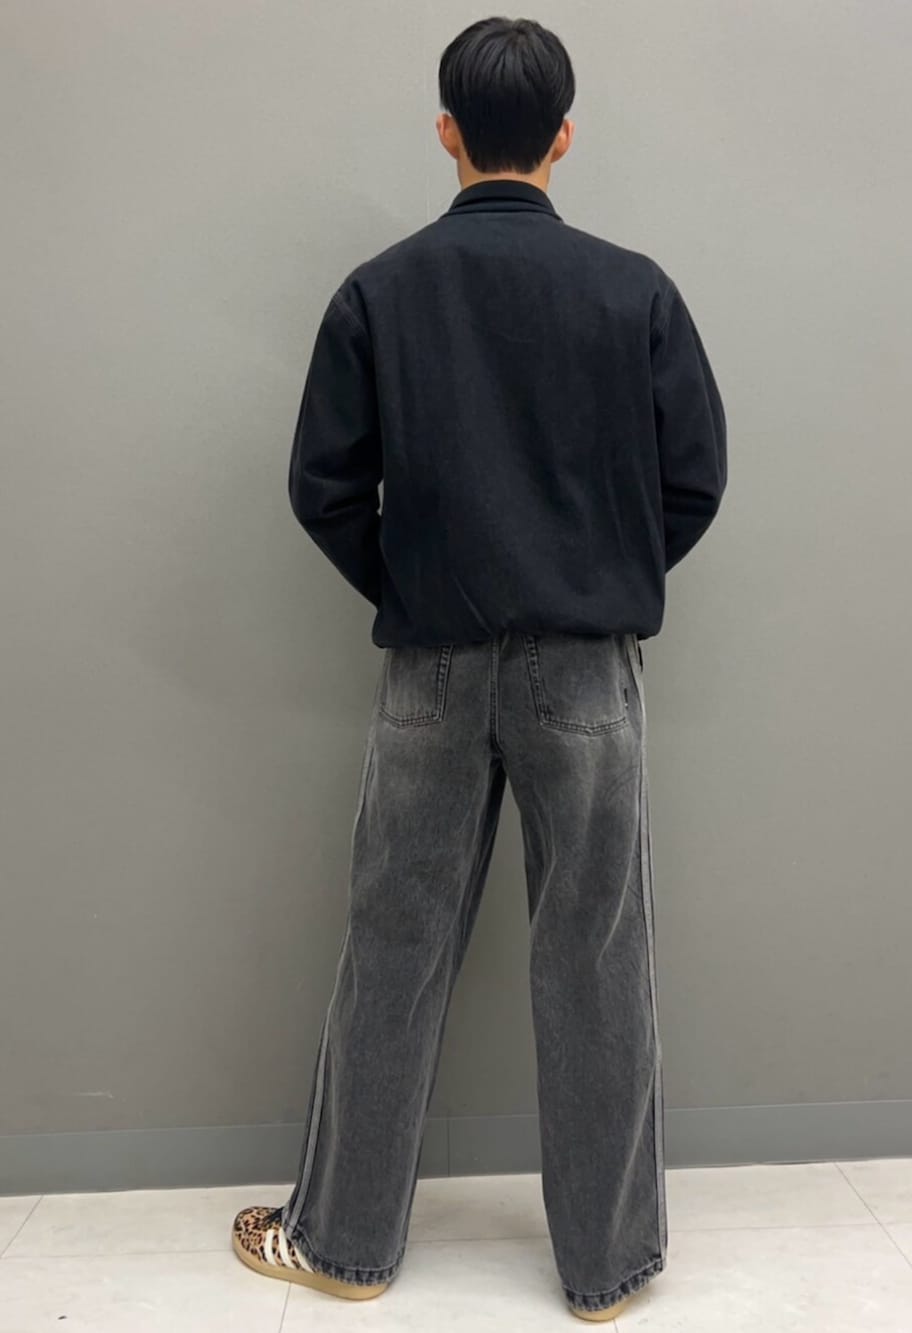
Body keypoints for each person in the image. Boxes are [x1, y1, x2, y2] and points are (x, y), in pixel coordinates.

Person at [231, 14, 726, 1323]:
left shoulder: (380, 291)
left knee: (393, 945)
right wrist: (598, 576)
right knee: (598, 958)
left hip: (433, 668)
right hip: (587, 672)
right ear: (564, 137)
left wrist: (414, 582)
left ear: (447, 130)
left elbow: (323, 487)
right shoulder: (634, 292)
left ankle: (342, 1246)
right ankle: (608, 1271)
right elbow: (693, 481)